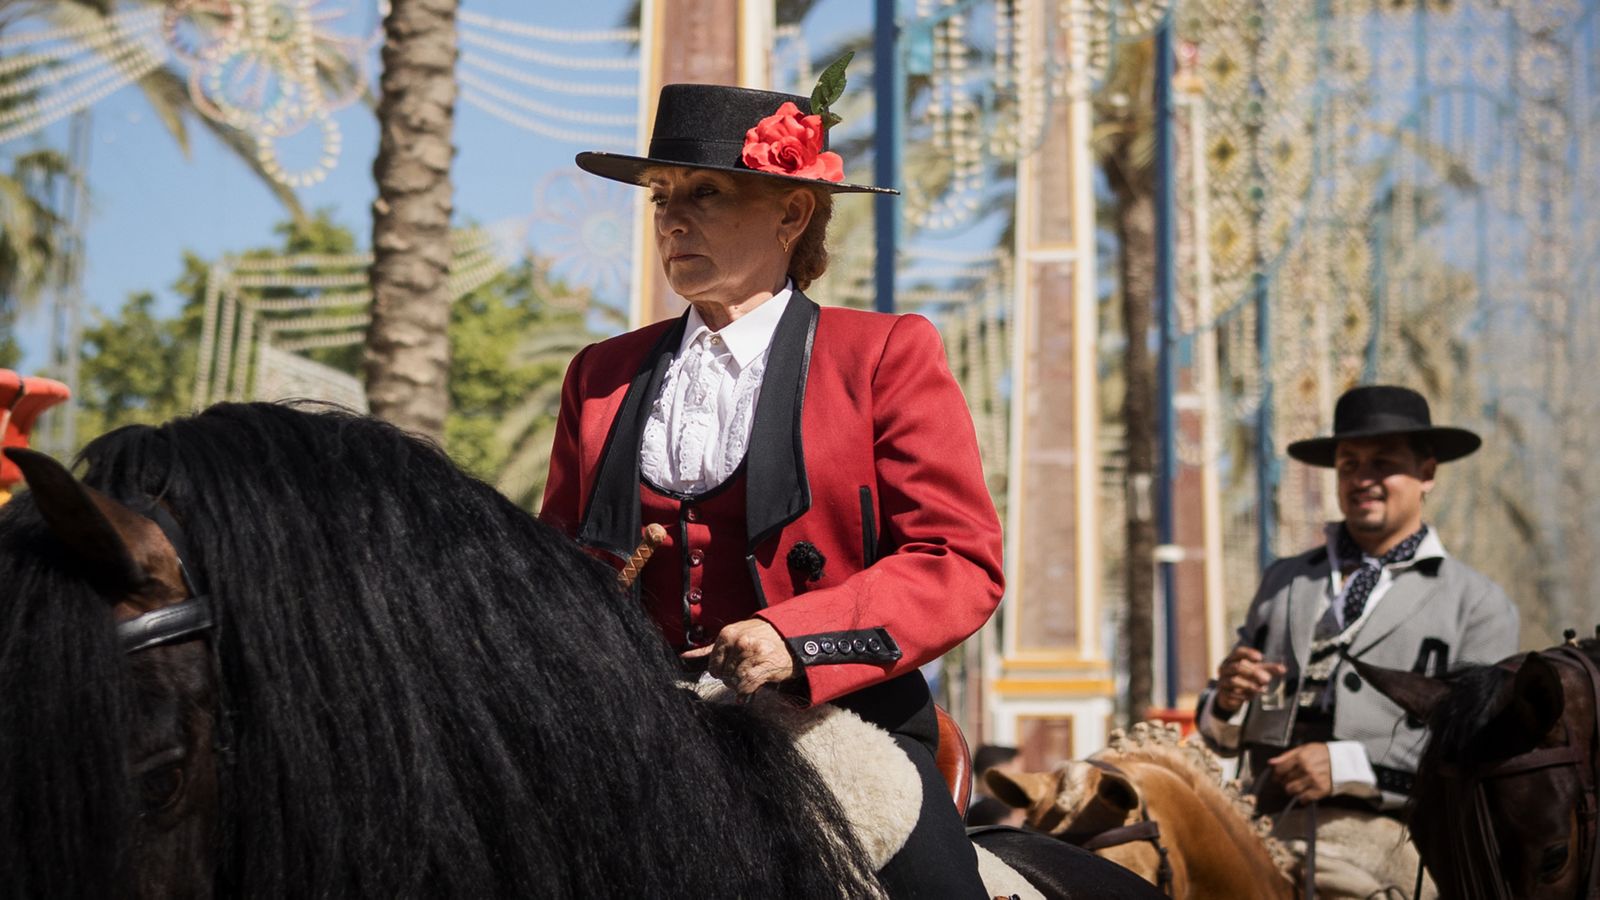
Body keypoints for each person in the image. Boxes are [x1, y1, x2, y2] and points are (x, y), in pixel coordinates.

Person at [542, 81, 1003, 898]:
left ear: (792, 214)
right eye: (661, 197)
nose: (671, 220)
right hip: (635, 726)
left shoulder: (886, 353)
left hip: (839, 718)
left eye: (705, 193)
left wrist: (798, 637)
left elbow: (956, 559)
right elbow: (556, 565)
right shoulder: (601, 374)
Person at [1196, 384, 1519, 899]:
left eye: (1382, 463)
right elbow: (1216, 732)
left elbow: (1484, 758)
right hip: (1259, 824)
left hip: (1398, 841)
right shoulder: (1284, 579)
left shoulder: (1477, 604)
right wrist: (1228, 701)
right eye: (1349, 465)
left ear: (1427, 473)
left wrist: (1347, 767)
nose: (1362, 480)